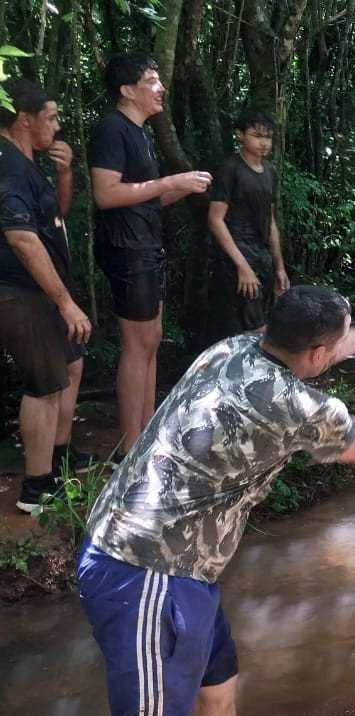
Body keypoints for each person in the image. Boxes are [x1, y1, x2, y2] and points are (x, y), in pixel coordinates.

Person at [77, 284, 355, 716]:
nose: (343, 346)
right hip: (143, 568)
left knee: (217, 693)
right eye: (340, 342)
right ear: (318, 354)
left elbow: (323, 345)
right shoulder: (295, 405)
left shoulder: (231, 348)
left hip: (179, 564)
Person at [89, 51, 213, 457]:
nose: (161, 88)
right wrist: (170, 182)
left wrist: (180, 188)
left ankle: (146, 434)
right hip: (126, 249)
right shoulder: (112, 129)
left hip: (145, 245)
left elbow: (142, 197)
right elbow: (106, 195)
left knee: (152, 340)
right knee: (137, 344)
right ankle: (131, 448)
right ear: (128, 91)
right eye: (151, 81)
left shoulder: (140, 133)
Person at [0, 77, 96, 513]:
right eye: (51, 118)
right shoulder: (9, 166)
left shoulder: (26, 162)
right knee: (44, 385)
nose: (57, 127)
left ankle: (59, 456)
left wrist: (65, 173)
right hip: (21, 291)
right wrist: (65, 302)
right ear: (24, 119)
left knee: (70, 366)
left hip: (41, 290)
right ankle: (37, 488)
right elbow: (21, 239)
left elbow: (56, 215)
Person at [207, 107, 290, 336]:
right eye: (256, 135)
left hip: (262, 256)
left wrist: (279, 267)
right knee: (253, 327)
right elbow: (215, 219)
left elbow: (270, 220)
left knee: (265, 320)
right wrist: (242, 266)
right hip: (237, 254)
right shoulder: (231, 169)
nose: (263, 142)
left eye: (268, 137)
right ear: (240, 134)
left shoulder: (270, 171)